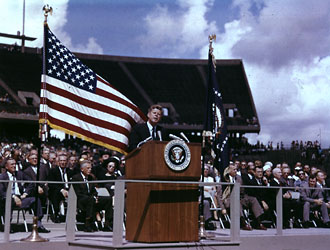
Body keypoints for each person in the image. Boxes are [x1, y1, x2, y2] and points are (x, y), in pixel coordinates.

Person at [0, 158, 50, 233]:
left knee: (35, 200)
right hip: (8, 198)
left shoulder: (20, 174)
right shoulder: (2, 177)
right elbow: (1, 192)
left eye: (15, 164)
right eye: (12, 164)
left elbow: (31, 182)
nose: (14, 166)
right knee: (9, 201)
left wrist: (25, 193)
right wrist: (13, 197)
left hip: (21, 197)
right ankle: (7, 225)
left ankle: (38, 225)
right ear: (6, 167)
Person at [71, 160, 113, 232]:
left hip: (91, 199)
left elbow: (94, 190)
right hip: (81, 200)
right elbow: (78, 193)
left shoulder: (91, 177)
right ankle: (88, 224)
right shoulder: (76, 178)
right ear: (82, 169)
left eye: (90, 168)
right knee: (90, 200)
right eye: (88, 168)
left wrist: (95, 197)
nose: (90, 170)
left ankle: (107, 224)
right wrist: (92, 198)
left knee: (108, 199)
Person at [48, 154, 74, 223]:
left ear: (67, 162)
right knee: (55, 194)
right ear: (58, 162)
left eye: (64, 161)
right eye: (61, 160)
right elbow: (51, 184)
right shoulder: (53, 171)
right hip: (57, 191)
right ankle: (57, 214)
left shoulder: (71, 172)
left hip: (69, 190)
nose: (63, 162)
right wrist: (62, 190)